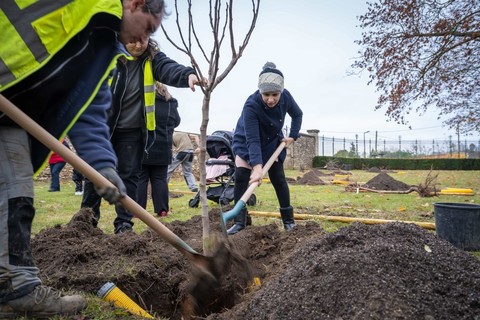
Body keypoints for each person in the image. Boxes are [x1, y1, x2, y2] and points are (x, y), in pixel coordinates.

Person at [0, 0, 166, 317]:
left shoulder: (105, 52)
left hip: (10, 117)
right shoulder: (84, 4)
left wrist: (104, 167)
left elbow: (89, 111)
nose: (144, 41)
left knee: (16, 196)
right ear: (134, 3)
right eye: (147, 28)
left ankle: (15, 289)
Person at [81, 36, 205, 233]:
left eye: (143, 39)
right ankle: (86, 221)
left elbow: (168, 67)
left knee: (129, 177)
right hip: (105, 127)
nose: (138, 45)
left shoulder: (152, 60)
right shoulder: (107, 56)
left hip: (133, 132)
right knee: (94, 174)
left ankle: (123, 224)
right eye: (133, 40)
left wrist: (187, 75)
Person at [227, 62, 303, 235]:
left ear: (281, 92)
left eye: (275, 94)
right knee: (241, 178)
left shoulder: (286, 97)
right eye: (266, 94)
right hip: (247, 141)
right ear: (260, 91)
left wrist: (293, 135)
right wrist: (257, 168)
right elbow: (252, 140)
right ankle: (239, 222)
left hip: (272, 142)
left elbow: (297, 114)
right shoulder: (251, 105)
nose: (270, 99)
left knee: (279, 179)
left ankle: (288, 221)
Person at [137, 82, 180, 217]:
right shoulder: (171, 104)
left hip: (144, 146)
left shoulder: (143, 101)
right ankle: (162, 210)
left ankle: (138, 211)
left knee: (141, 179)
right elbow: (177, 121)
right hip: (163, 147)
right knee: (160, 179)